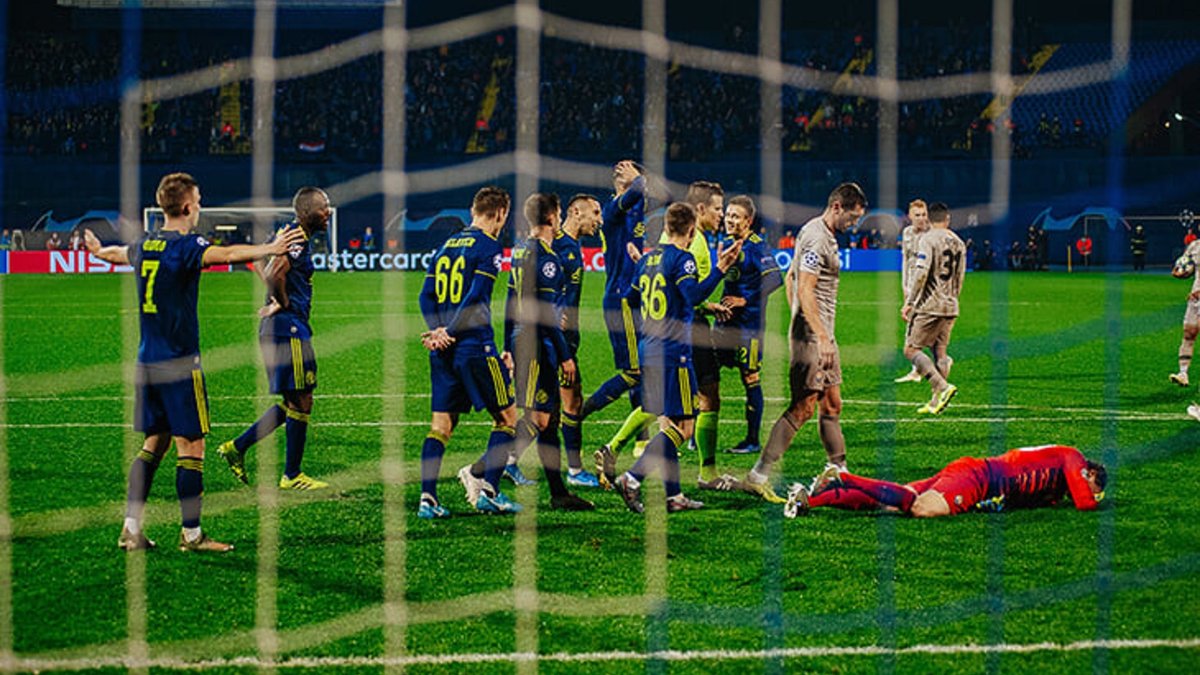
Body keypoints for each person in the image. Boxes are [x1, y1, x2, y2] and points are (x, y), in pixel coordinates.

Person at [86, 171, 304, 552]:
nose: (200, 206)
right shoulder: (186, 246)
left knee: (154, 443)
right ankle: (192, 535)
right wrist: (270, 248)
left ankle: (131, 528)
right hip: (179, 364)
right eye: (199, 201)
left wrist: (98, 251)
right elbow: (227, 255)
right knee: (192, 447)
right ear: (187, 207)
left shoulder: (146, 245)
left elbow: (117, 254)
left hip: (147, 362)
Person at [594, 181, 730, 487]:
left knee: (660, 407)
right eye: (718, 208)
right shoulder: (690, 249)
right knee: (697, 406)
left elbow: (636, 297)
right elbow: (689, 295)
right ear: (698, 212)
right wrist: (719, 272)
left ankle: (665, 486)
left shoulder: (656, 252)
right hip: (683, 334)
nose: (721, 214)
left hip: (652, 339)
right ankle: (699, 473)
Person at [739, 182, 868, 502]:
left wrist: (807, 320)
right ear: (837, 207)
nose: (854, 226)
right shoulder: (816, 237)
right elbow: (805, 288)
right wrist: (816, 334)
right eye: (852, 218)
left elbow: (791, 279)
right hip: (813, 337)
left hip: (822, 334)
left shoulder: (824, 235)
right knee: (803, 407)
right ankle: (758, 475)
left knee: (832, 405)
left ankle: (839, 472)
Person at [217, 187, 333, 491]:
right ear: (307, 212)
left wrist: (274, 298)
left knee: (294, 400)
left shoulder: (286, 233)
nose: (328, 212)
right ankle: (292, 475)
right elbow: (273, 274)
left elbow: (258, 262)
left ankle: (237, 447)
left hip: (281, 328)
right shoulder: (295, 239)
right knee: (302, 400)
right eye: (324, 207)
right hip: (288, 328)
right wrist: (281, 301)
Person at [416, 186, 522, 518]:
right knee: (507, 419)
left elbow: (425, 296)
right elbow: (475, 298)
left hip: (443, 352)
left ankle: (427, 499)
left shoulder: (445, 246)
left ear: (473, 210)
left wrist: (438, 331)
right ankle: (488, 490)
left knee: (441, 427)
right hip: (475, 346)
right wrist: (449, 332)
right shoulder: (489, 246)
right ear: (501, 213)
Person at [497, 192, 592, 511]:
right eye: (559, 213)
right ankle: (481, 472)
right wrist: (565, 356)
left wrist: (506, 345)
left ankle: (558, 492)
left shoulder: (521, 251)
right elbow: (547, 316)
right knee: (538, 418)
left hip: (523, 341)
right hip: (537, 344)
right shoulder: (547, 258)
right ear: (552, 217)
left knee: (547, 419)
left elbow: (510, 303)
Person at [784, 445, 1107, 518]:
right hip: (977, 479)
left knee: (894, 503)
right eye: (1096, 488)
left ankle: (809, 500)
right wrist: (1093, 499)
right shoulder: (1073, 458)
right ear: (1090, 474)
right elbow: (1084, 503)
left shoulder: (1053, 487)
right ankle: (844, 476)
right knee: (921, 508)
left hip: (972, 472)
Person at [579, 160, 645, 483]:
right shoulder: (612, 209)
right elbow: (643, 188)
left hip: (636, 296)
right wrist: (639, 179)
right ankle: (580, 412)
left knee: (642, 366)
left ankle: (642, 438)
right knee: (635, 371)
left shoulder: (638, 207)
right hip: (621, 298)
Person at [712, 195, 784, 460]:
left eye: (736, 216)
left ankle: (752, 440)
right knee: (707, 373)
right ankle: (697, 435)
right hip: (724, 324)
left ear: (748, 221)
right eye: (728, 215)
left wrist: (746, 299)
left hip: (748, 327)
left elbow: (776, 279)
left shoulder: (756, 247)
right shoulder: (728, 243)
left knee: (750, 377)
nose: (729, 220)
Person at [553, 194, 604, 488]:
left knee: (549, 408)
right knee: (569, 403)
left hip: (566, 338)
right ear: (575, 212)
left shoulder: (572, 246)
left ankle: (506, 461)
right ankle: (574, 471)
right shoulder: (559, 245)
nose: (599, 219)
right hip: (556, 340)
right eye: (594, 213)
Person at [901, 202, 963, 415]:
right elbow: (960, 277)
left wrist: (910, 301)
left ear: (929, 219)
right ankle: (936, 402)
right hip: (951, 304)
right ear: (948, 219)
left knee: (911, 349)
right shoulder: (959, 242)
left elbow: (920, 274)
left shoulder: (928, 240)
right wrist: (953, 298)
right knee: (940, 352)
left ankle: (942, 387)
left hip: (930, 304)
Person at [895, 199, 930, 384]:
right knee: (912, 326)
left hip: (926, 288)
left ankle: (934, 364)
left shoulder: (932, 235)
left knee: (923, 327)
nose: (921, 218)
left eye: (924, 214)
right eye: (917, 215)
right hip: (910, 286)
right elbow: (905, 261)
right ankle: (917, 369)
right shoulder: (907, 233)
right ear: (909, 216)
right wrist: (905, 287)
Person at [1170, 234, 1200, 387]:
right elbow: (1187, 265)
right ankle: (1183, 373)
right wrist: (1180, 273)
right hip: (1195, 297)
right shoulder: (1194, 246)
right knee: (1189, 333)